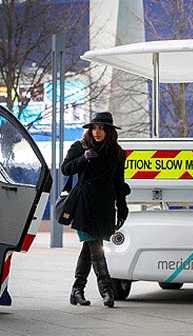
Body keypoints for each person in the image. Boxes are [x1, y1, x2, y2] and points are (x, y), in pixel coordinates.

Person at [61, 112, 130, 308]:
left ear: (109, 131)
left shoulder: (117, 153)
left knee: (89, 248)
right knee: (95, 247)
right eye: (94, 128)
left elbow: (119, 183)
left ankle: (77, 290)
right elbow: (65, 169)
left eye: (102, 128)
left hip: (105, 206)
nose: (97, 132)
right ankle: (107, 290)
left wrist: (122, 208)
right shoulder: (80, 147)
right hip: (84, 204)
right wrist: (83, 159)